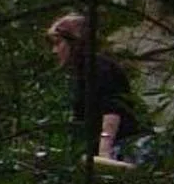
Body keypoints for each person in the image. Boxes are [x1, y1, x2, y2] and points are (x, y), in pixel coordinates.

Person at [46, 12, 144, 163]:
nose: (55, 51)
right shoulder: (83, 73)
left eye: (58, 43)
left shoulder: (97, 67)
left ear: (74, 42)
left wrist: (104, 152)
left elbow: (112, 109)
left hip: (121, 148)